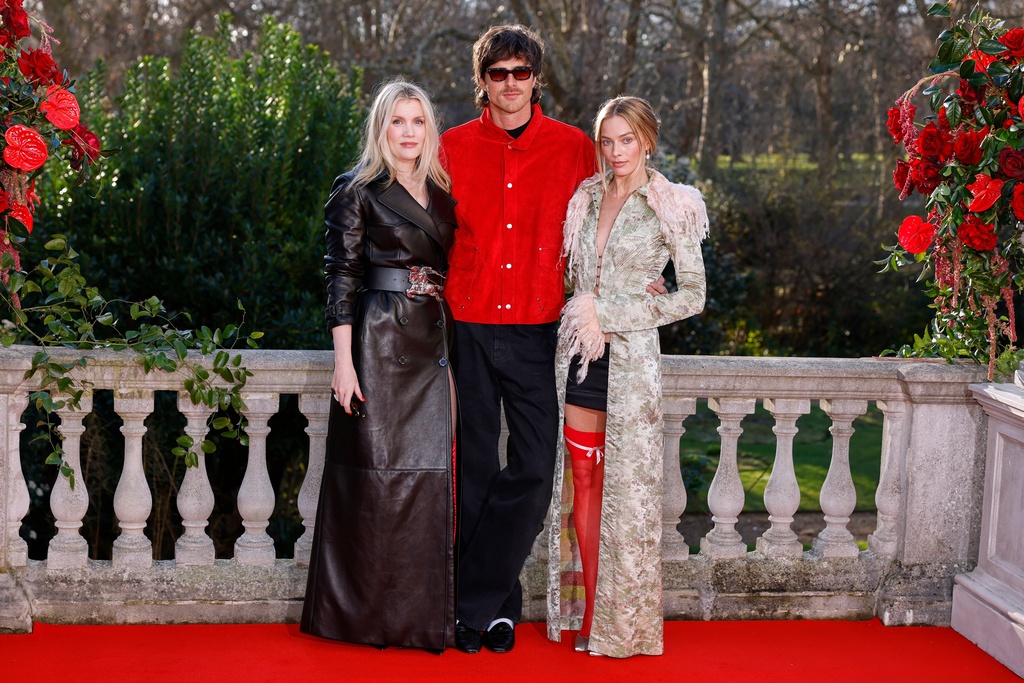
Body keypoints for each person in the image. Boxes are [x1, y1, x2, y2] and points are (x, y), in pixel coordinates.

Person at [440, 25, 597, 654]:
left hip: (539, 325)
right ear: (481, 82)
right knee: (474, 465)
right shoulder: (450, 146)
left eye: (521, 73)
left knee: (533, 467)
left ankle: (466, 602)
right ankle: (499, 612)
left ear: (536, 79)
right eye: (498, 73)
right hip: (469, 320)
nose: (510, 84)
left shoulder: (574, 148)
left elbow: (609, 212)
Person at [546, 96, 708, 658]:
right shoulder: (585, 199)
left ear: (647, 141)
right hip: (580, 360)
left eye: (627, 140)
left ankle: (623, 622)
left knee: (628, 494)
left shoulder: (673, 204)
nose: (616, 152)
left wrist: (616, 311)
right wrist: (593, 307)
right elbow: (575, 282)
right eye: (608, 141)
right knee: (583, 486)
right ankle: (591, 612)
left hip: (632, 366)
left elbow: (694, 294)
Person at [300, 80, 458, 652]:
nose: (409, 131)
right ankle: (357, 618)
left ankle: (419, 620)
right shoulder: (357, 189)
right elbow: (340, 278)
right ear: (381, 128)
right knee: (370, 482)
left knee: (426, 483)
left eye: (418, 120)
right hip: (377, 338)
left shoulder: (443, 192)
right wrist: (344, 363)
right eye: (398, 121)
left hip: (434, 340)